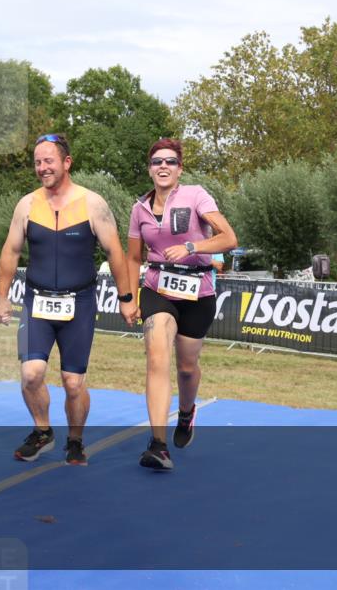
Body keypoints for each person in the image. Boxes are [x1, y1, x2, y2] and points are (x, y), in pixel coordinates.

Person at [0, 133, 138, 465]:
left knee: (73, 383)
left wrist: (127, 296)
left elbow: (116, 252)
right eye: (37, 162)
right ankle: (42, 431)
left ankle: (75, 440)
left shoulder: (92, 204)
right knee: (31, 374)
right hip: (37, 303)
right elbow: (11, 251)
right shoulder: (27, 205)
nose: (42, 168)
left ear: (66, 162)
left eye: (49, 161)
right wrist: (2, 297)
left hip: (80, 303)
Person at [126, 138, 237, 470]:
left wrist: (192, 246)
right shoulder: (139, 209)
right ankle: (158, 444)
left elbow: (229, 238)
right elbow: (133, 257)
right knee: (157, 355)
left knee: (187, 368)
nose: (163, 166)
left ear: (179, 168)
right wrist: (129, 298)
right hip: (158, 287)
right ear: (149, 168)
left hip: (197, 292)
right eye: (157, 161)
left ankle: (187, 412)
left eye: (170, 161)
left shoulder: (196, 195)